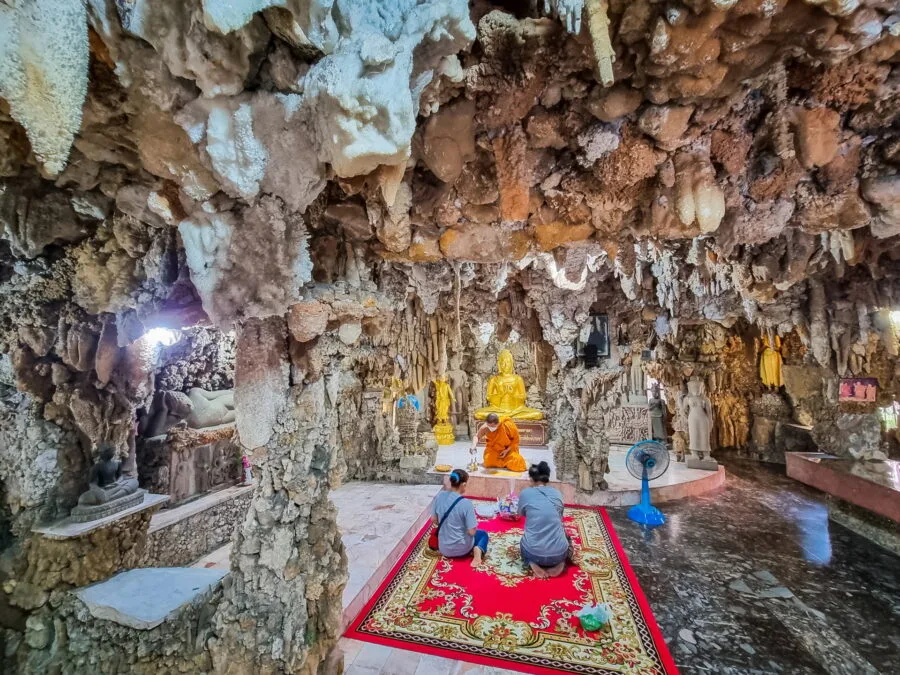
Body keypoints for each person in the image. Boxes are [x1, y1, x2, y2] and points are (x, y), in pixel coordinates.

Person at [517, 461, 569, 579]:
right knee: (566, 537)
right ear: (547, 478)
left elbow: (521, 513)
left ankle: (532, 563)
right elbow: (560, 516)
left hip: (533, 553)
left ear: (531, 478)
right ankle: (561, 562)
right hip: (558, 554)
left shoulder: (525, 493)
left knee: (523, 541)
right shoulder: (557, 493)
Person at [432, 469, 488, 567]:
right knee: (483, 534)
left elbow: (434, 520)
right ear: (463, 485)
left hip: (444, 548)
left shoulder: (439, 496)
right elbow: (472, 532)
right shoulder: (466, 504)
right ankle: (478, 551)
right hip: (463, 549)